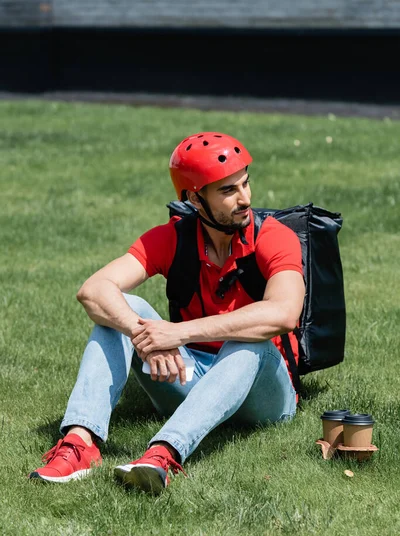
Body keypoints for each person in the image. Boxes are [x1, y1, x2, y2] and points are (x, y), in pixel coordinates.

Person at [29, 131, 305, 494]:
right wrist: (143, 334)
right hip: (189, 375)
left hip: (264, 394)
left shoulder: (274, 236)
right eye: (227, 190)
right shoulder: (173, 238)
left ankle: (163, 454)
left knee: (250, 340)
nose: (245, 199)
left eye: (245, 184)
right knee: (120, 311)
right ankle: (80, 443)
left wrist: (179, 334)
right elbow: (93, 291)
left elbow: (284, 314)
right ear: (195, 198)